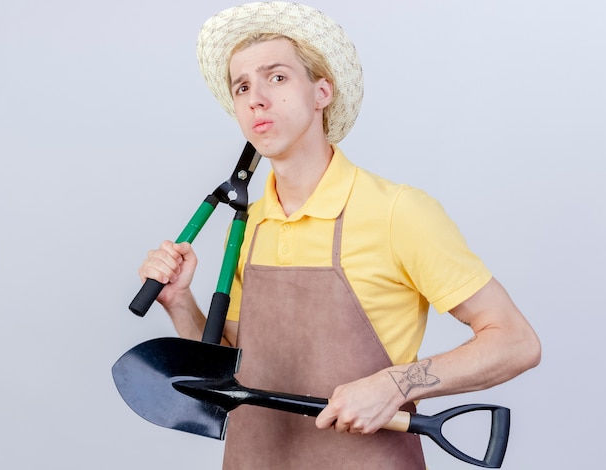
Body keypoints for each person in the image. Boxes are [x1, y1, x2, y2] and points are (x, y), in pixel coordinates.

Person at [138, 2, 541, 468]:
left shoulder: (397, 211)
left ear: (322, 91)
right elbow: (235, 371)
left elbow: (515, 341)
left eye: (278, 77)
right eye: (242, 86)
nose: (256, 98)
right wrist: (180, 303)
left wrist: (396, 384)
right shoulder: (250, 223)